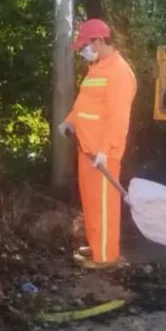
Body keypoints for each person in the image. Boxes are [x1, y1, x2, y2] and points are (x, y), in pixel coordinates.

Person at [58, 18, 138, 269]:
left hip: (103, 154)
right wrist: (69, 121)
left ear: (99, 41)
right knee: (92, 202)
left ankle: (105, 256)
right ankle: (96, 244)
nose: (83, 51)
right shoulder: (97, 67)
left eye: (85, 45)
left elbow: (118, 118)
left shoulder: (119, 72)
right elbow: (86, 104)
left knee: (104, 205)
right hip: (87, 149)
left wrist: (106, 150)